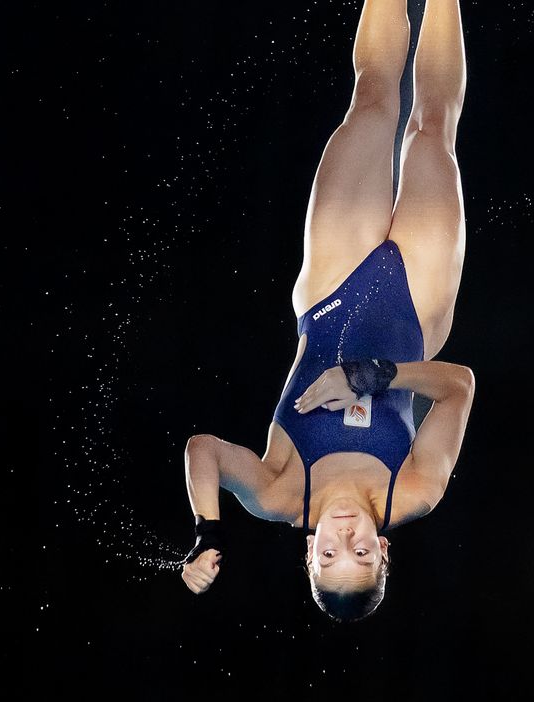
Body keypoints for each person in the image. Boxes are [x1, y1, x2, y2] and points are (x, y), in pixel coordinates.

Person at [178, 0, 473, 622]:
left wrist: (207, 531)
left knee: (371, 102)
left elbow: (201, 448)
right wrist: (375, 374)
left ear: (308, 554)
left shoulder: (280, 493)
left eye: (331, 554)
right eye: (361, 553)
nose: (346, 538)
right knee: (431, 129)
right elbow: (458, 388)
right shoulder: (413, 492)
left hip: (331, 288)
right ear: (383, 550)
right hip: (416, 309)